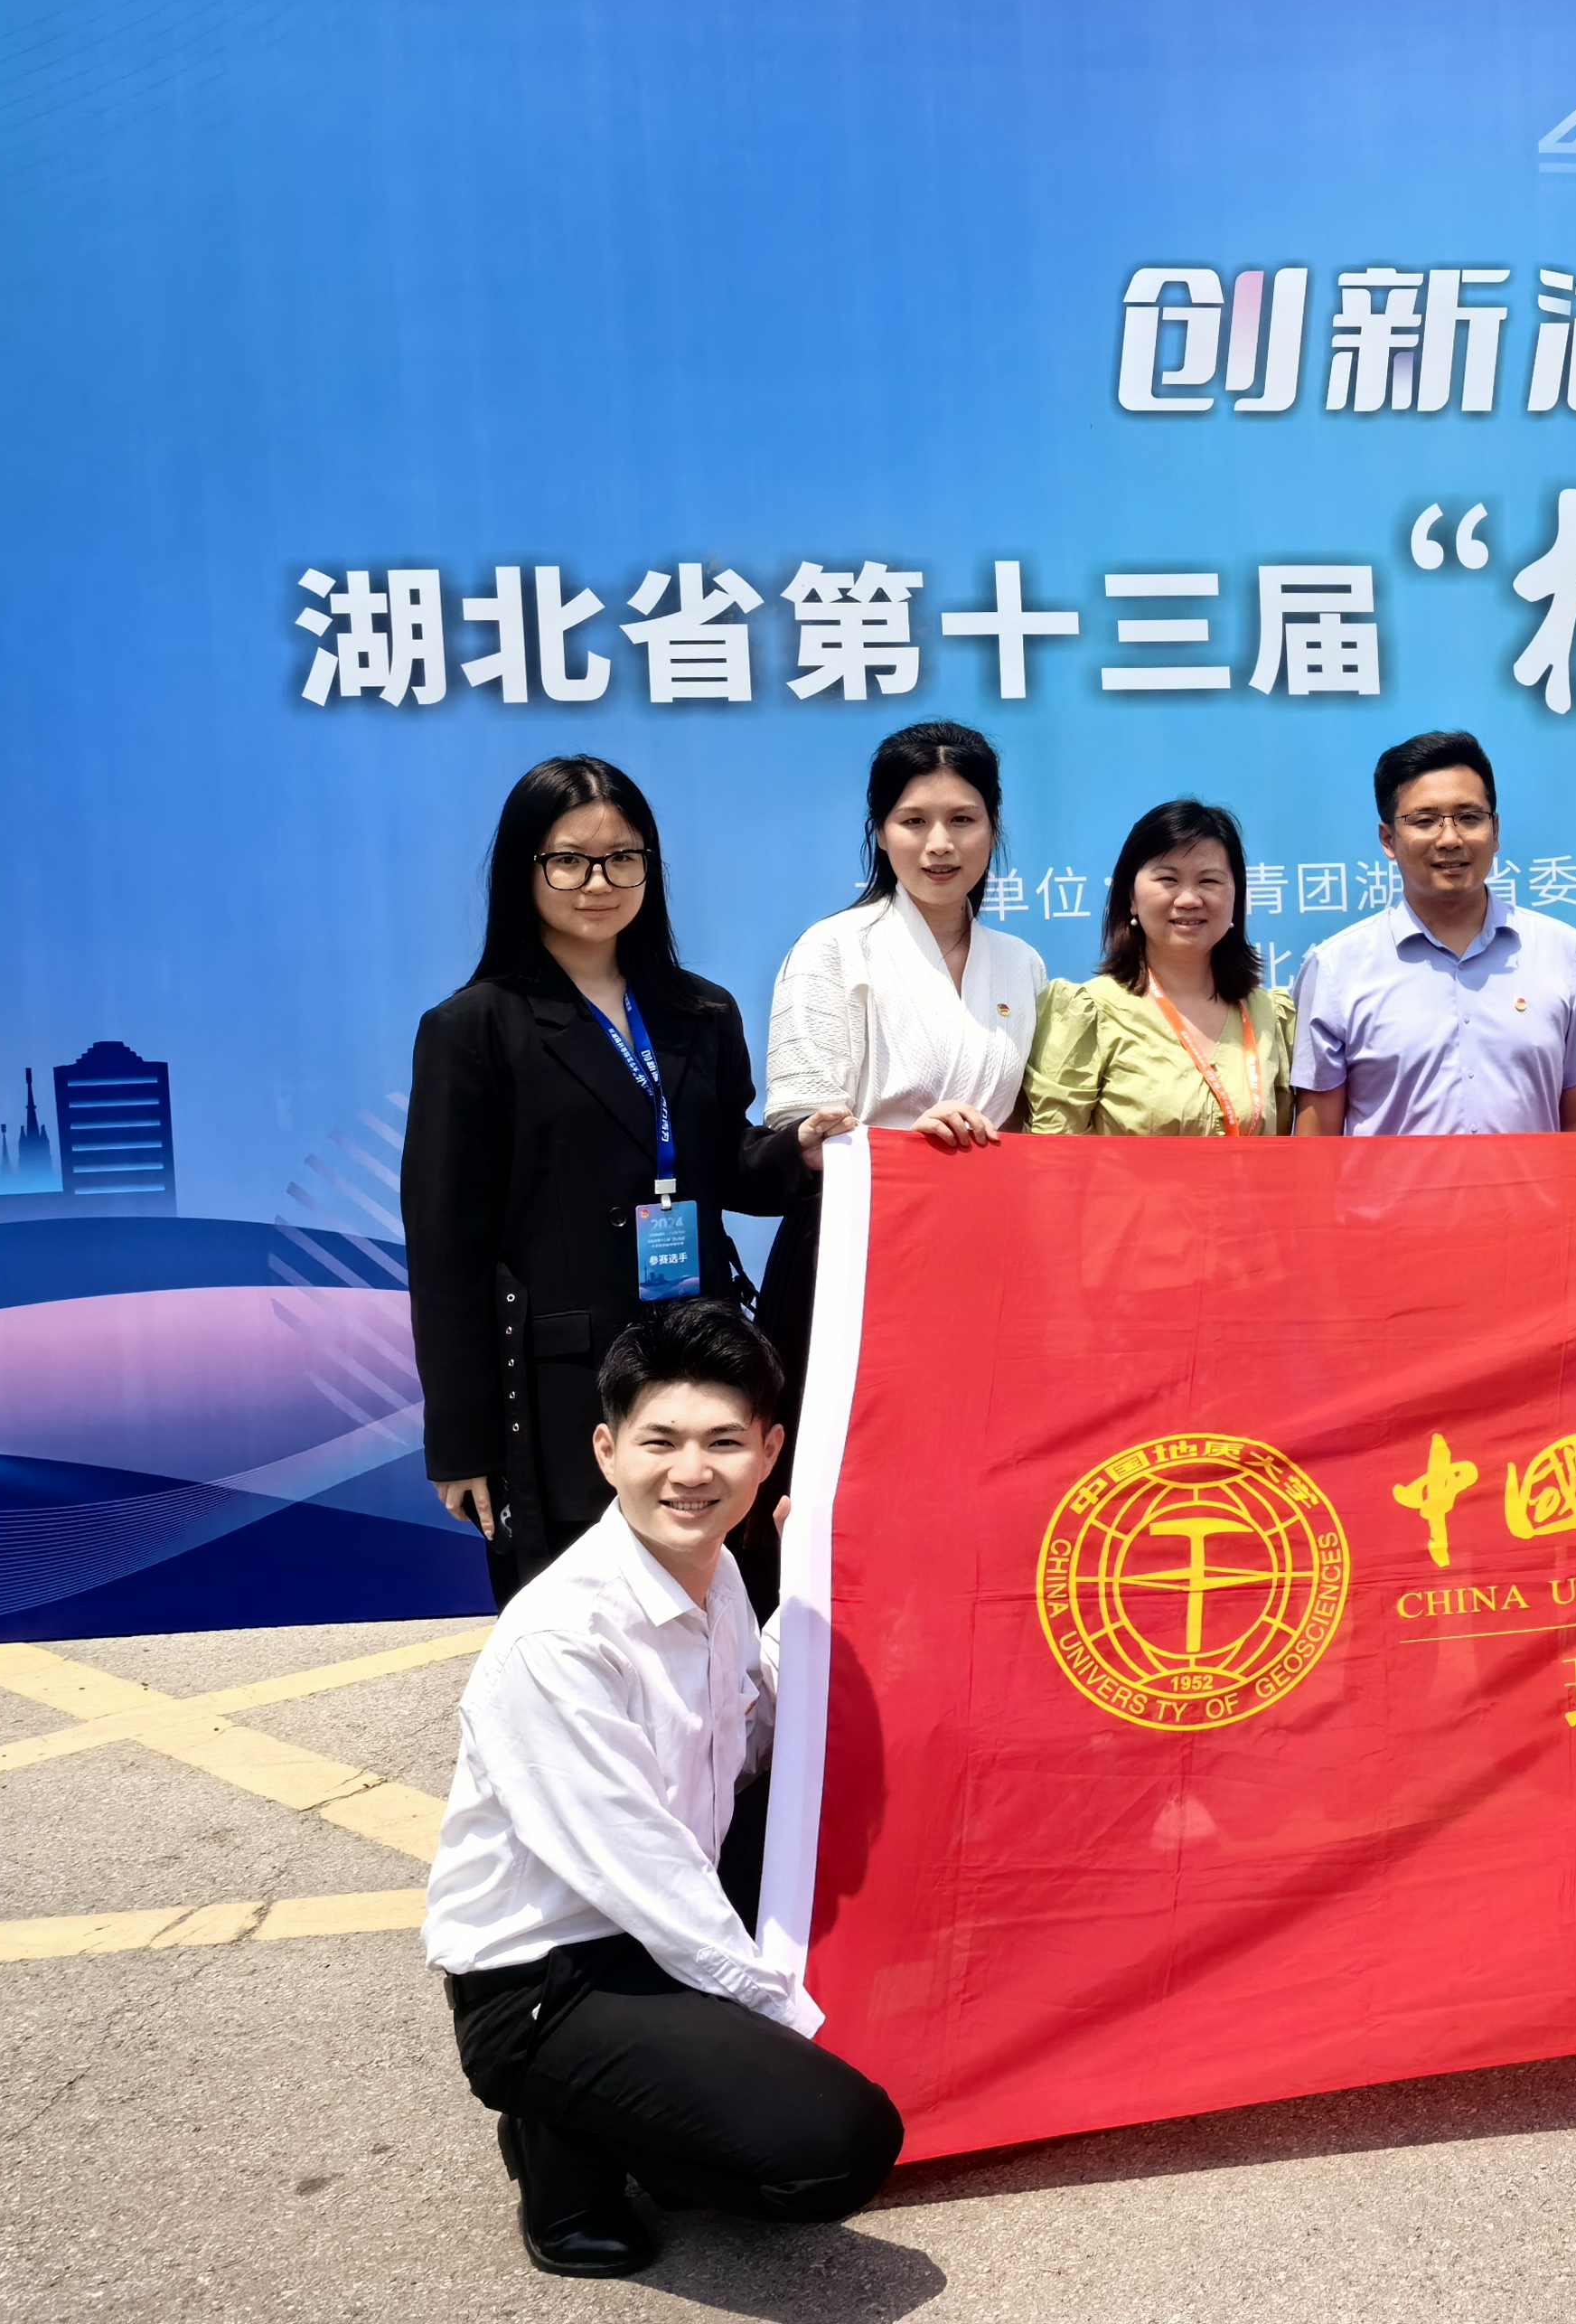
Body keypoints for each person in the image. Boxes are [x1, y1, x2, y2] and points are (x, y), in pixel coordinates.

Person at [425, 1297, 905, 2277]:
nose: (692, 1472)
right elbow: (642, 1874)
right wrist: (786, 2020)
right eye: (661, 1442)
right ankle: (561, 2133)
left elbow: (755, 1735)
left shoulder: (715, 1573)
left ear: (769, 1454)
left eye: (724, 1442)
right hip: (549, 1977)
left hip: (651, 1929)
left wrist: (816, 1575)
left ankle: (631, 2105)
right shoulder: (560, 1640)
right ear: (607, 1452)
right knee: (835, 2147)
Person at [405, 758, 847, 1604]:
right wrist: (461, 1441)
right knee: (579, 1622)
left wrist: (800, 1152)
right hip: (562, 1386)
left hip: (700, 1361)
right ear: (524, 869)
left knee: (713, 1604)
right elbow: (445, 1250)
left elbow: (725, 1164)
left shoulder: (699, 1012)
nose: (598, 883)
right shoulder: (474, 1028)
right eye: (568, 861)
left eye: (622, 859)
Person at [757, 722, 1045, 1407]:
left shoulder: (1022, 963)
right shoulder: (832, 948)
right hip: (853, 1253)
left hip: (984, 1254)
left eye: (963, 820)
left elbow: (1031, 1123)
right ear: (880, 833)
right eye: (913, 821)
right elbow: (798, 1126)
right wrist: (908, 1146)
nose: (940, 843)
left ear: (993, 829)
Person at [1291, 730, 1576, 1136]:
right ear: (1388, 839)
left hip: (1534, 1183)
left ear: (1495, 830)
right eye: (1424, 821)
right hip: (1393, 1185)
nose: (1450, 839)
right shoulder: (1335, 969)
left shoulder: (1563, 952)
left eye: (1469, 817)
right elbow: (1317, 1141)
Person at [1025, 800, 1295, 1137]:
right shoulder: (1088, 1013)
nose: (1189, 899)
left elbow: (1281, 1145)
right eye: (1168, 879)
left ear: (1236, 898)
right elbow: (1054, 1155)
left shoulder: (1269, 1014)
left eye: (1209, 881)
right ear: (1131, 897)